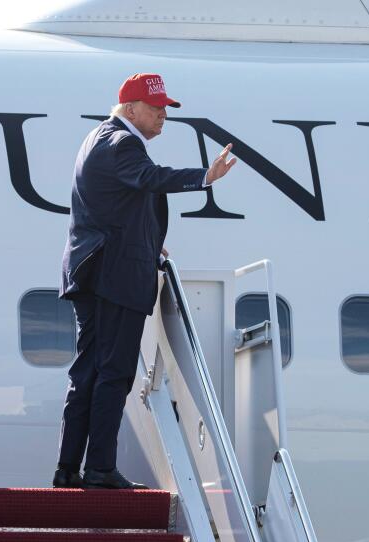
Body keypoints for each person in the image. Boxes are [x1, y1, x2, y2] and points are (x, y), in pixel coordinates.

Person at [54, 73, 236, 489]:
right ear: (130, 109)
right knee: (113, 372)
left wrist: (151, 245)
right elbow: (148, 179)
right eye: (156, 109)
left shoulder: (96, 139)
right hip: (115, 275)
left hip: (93, 269)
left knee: (87, 372)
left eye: (165, 110)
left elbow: (116, 208)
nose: (162, 117)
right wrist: (204, 177)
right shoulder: (123, 142)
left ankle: (68, 469)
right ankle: (99, 469)